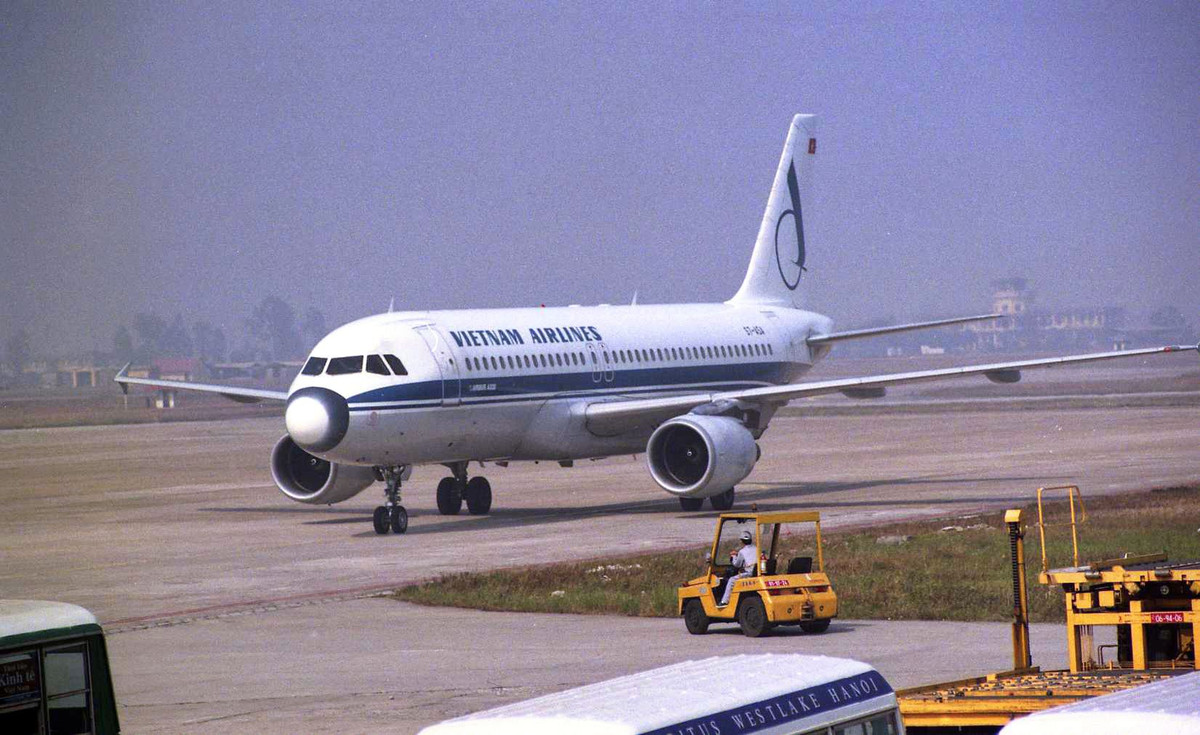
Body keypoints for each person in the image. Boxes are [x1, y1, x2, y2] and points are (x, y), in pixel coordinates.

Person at [719, 530, 757, 607]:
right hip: (756, 571)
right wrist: (738, 554)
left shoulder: (742, 551)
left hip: (749, 573)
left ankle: (724, 601)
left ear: (742, 541)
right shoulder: (756, 548)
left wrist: (733, 556)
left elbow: (737, 564)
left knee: (731, 580)